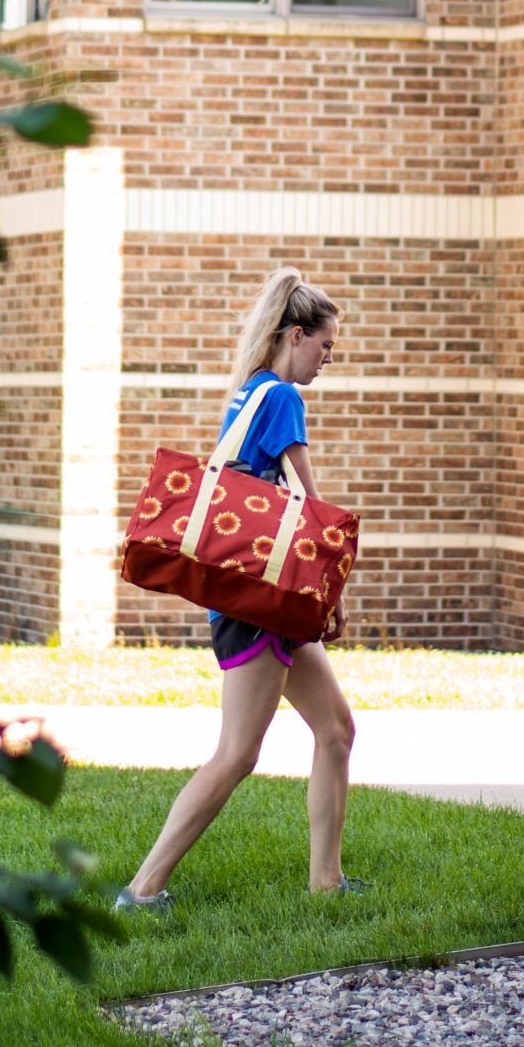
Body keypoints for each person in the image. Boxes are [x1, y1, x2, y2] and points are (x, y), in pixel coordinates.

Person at [119, 271, 363, 908]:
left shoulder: (248, 391)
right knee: (237, 754)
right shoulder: (281, 396)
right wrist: (330, 597)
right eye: (325, 347)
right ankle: (143, 889)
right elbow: (308, 510)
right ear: (296, 334)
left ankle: (327, 883)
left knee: (336, 729)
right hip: (259, 605)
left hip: (258, 599)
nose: (328, 359)